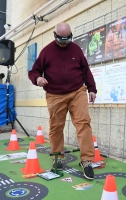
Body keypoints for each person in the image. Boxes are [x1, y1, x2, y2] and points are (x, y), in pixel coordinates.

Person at [28, 22, 97, 180]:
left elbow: (86, 70)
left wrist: (92, 88)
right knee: (56, 127)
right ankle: (57, 158)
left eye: (68, 39)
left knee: (83, 123)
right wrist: (37, 78)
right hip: (55, 94)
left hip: (77, 91)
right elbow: (34, 71)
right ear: (55, 36)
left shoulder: (76, 49)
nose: (65, 42)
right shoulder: (47, 51)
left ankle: (86, 161)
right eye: (61, 40)